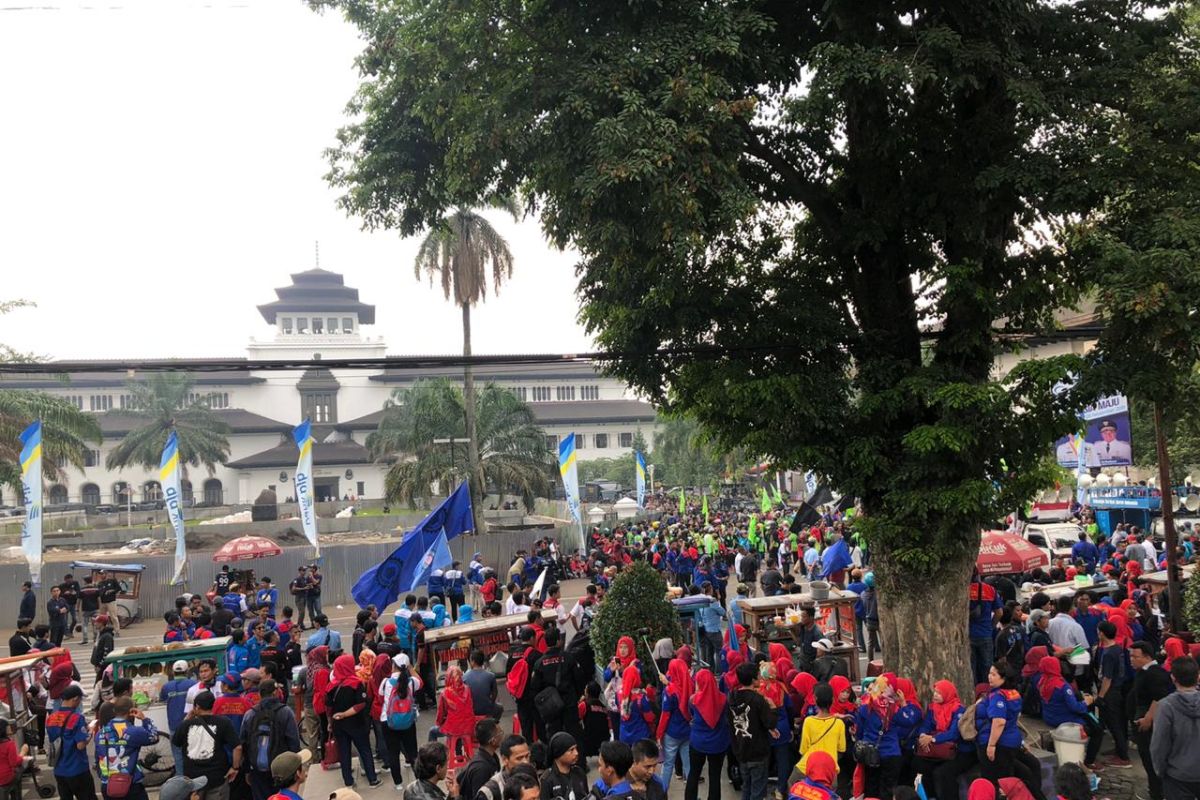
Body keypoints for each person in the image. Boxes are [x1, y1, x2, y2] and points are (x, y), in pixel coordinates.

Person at [1035, 656, 1104, 769]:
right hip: (1065, 718)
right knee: (1097, 730)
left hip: (1050, 716)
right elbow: (1075, 707)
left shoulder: (1042, 681)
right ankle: (1089, 761)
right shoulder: (1062, 686)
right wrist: (1087, 702)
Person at [325, 653, 383, 788]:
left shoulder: (331, 686)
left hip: (338, 725)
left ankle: (348, 782)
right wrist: (345, 714)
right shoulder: (356, 683)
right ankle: (372, 780)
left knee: (344, 753)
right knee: (365, 750)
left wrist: (330, 722)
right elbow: (361, 705)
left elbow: (328, 708)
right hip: (356, 724)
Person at [172, 690, 241, 800]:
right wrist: (235, 768)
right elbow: (237, 747)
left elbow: (176, 741)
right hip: (217, 777)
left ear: (197, 707)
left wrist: (186, 719)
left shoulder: (186, 724)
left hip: (193, 779)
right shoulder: (224, 722)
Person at [1150, 656, 1200, 800]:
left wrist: (1160, 770)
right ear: (1197, 677)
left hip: (1177, 774)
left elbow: (1159, 743)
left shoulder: (1166, 706)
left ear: (1173, 678)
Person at [242, 679, 301, 800]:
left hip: (257, 769)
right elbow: (294, 742)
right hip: (282, 768)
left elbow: (244, 743)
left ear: (260, 694)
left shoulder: (250, 714)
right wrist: (296, 765)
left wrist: (247, 769)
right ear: (275, 693)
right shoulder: (286, 712)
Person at [1131, 640, 1174, 800]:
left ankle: (1157, 793)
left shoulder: (1154, 673)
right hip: (1143, 723)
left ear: (1147, 657)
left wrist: (1148, 718)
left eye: (1135, 656)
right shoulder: (1144, 671)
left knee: (1152, 760)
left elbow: (1160, 698)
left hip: (1150, 726)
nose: (1131, 659)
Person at [95, 696, 160, 800]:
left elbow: (98, 758)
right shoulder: (132, 731)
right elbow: (154, 737)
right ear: (131, 711)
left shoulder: (100, 733)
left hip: (108, 785)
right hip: (130, 785)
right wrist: (144, 719)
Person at [855, 675, 903, 800]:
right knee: (887, 791)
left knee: (871, 789)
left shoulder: (866, 707)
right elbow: (909, 722)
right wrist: (904, 703)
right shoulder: (896, 708)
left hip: (870, 754)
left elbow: (859, 731)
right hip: (892, 754)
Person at [686, 670, 731, 800]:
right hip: (718, 743)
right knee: (715, 776)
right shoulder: (723, 698)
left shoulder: (693, 700)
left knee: (694, 773)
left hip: (698, 742)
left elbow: (691, 714)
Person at [46, 685, 96, 800]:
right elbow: (80, 745)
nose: (79, 702)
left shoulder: (51, 718)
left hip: (59, 770)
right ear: (75, 699)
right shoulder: (77, 718)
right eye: (79, 699)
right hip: (77, 769)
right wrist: (90, 732)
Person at [381, 653, 424, 788]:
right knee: (412, 752)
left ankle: (398, 783)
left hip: (388, 721)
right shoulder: (411, 682)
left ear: (394, 665)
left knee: (392, 752)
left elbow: (380, 694)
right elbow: (420, 682)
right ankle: (419, 780)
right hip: (408, 722)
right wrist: (411, 668)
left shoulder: (386, 682)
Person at [1094, 620, 1132, 768]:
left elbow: (1107, 678)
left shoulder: (1109, 653)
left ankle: (1123, 757)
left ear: (1102, 633)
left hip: (1110, 692)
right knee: (1116, 722)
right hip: (1117, 690)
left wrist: (1101, 696)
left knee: (1114, 724)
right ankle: (1119, 750)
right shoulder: (1117, 648)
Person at [656, 657, 692, 792]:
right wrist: (668, 682)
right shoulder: (691, 685)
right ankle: (692, 794)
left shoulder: (669, 691)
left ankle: (662, 792)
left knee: (668, 764)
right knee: (688, 764)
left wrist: (659, 734)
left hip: (672, 733)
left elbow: (665, 715)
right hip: (687, 731)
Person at [161, 660, 198, 775]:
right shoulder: (193, 684)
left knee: (178, 756)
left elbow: (162, 699)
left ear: (172, 672)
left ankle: (182, 781)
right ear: (187, 671)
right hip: (191, 725)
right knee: (194, 754)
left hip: (174, 726)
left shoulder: (166, 686)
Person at [968, 572, 1002, 687]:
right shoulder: (990, 590)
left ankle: (974, 691)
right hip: (985, 634)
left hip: (967, 635)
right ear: (978, 575)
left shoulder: (962, 590)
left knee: (971, 667)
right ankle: (988, 691)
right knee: (987, 666)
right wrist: (991, 626)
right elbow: (999, 612)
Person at [473, 735, 532, 800]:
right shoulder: (491, 792)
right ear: (504, 759)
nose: (525, 762)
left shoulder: (533, 779)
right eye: (519, 758)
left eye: (527, 756)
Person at [458, 720, 501, 800]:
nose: (502, 736)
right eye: (500, 734)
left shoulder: (493, 757)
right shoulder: (481, 769)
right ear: (493, 741)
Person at [540, 732, 588, 800]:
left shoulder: (579, 773)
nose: (576, 753)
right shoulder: (547, 780)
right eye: (571, 750)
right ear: (559, 753)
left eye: (576, 748)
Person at [464, 650, 502, 720]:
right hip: (487, 709)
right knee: (500, 707)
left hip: (472, 710)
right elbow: (495, 693)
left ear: (473, 661)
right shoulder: (491, 675)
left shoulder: (465, 677)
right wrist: (491, 703)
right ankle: (493, 724)